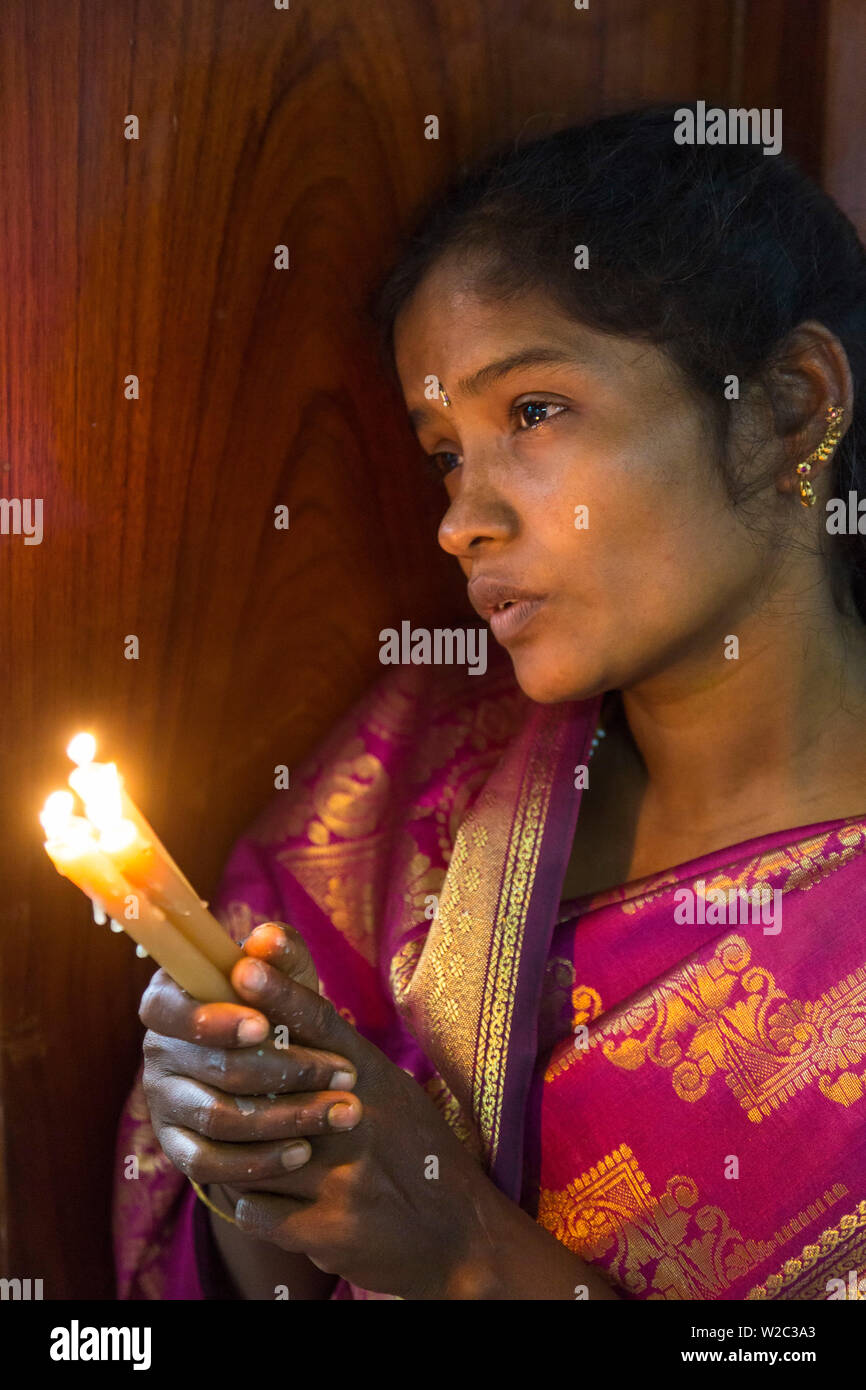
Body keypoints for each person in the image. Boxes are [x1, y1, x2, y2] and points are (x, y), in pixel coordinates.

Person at [114, 103, 866, 1300]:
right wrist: (260, 1166)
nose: (461, 520)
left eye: (530, 412)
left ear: (784, 406)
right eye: (442, 452)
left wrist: (464, 1250)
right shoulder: (414, 796)